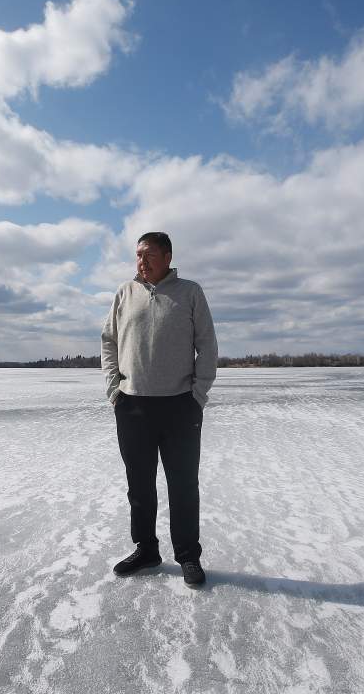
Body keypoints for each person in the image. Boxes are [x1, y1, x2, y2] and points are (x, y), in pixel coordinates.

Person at [101, 231, 218, 587]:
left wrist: (197, 395)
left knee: (183, 485)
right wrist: (114, 389)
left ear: (167, 256)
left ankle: (187, 555)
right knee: (139, 486)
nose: (142, 261)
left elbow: (208, 346)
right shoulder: (125, 293)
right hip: (133, 405)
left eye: (149, 255)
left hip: (180, 407)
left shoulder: (190, 292)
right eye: (138, 255)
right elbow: (109, 341)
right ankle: (146, 549)